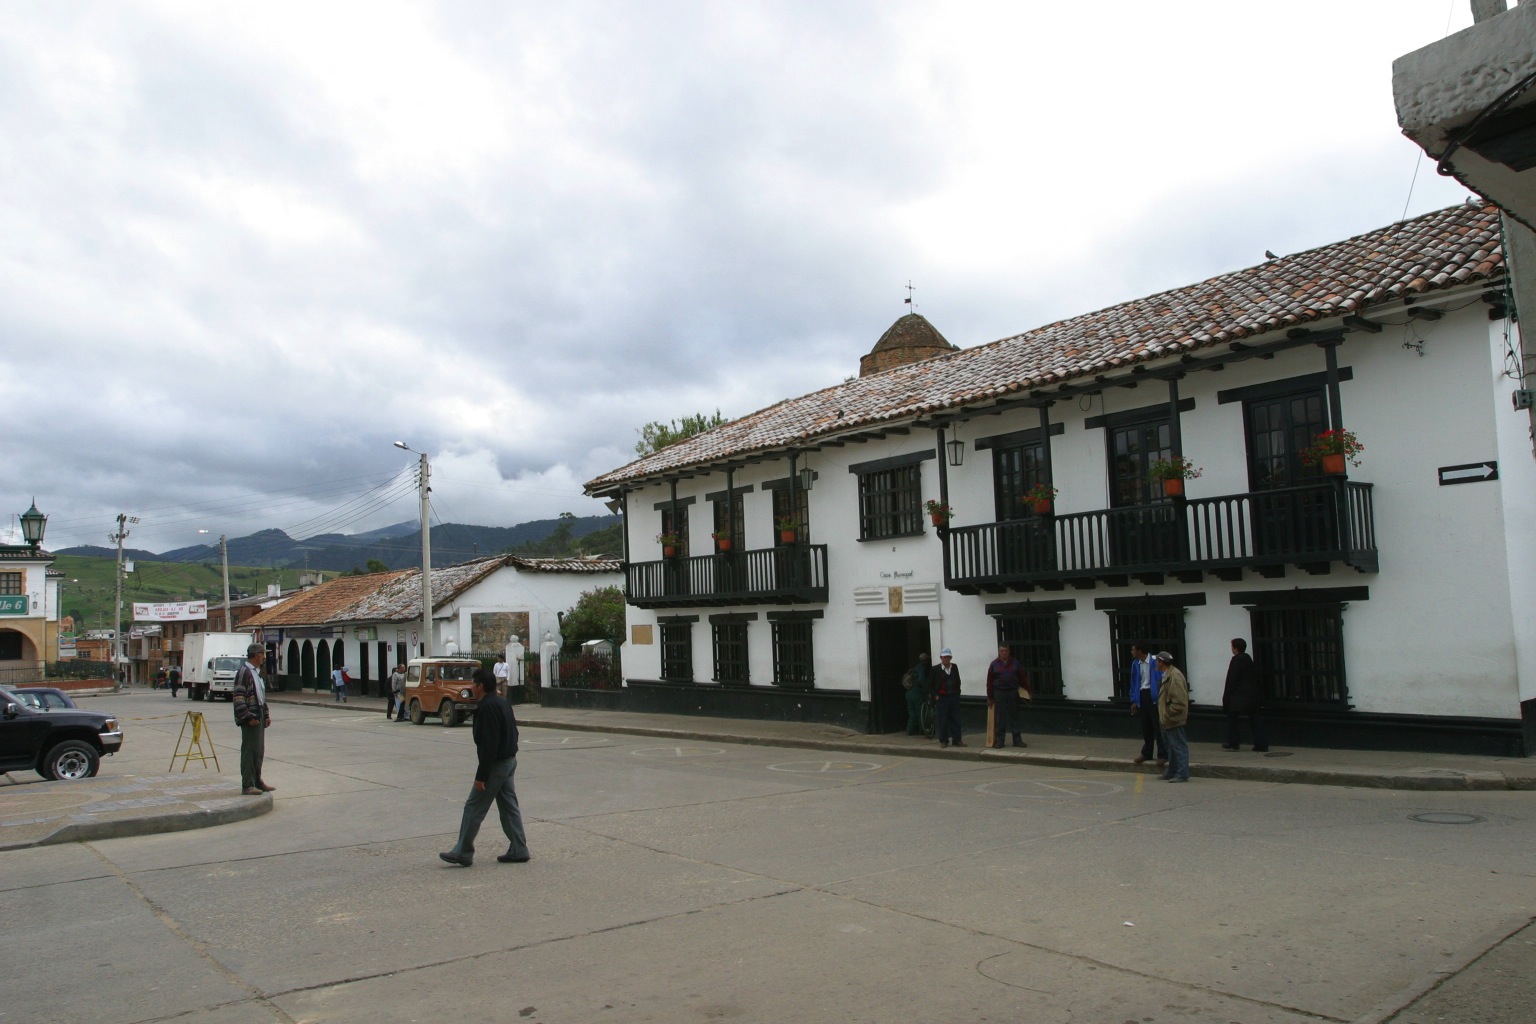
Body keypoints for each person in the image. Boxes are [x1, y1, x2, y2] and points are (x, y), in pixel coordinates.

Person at [440, 667, 531, 868]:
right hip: (509, 759)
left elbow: (489, 744)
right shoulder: (501, 702)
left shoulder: (487, 707)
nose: (471, 687)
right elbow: (514, 732)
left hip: (497, 764)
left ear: (480, 686)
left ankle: (463, 851)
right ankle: (519, 848)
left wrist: (481, 776)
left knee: (474, 806)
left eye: (473, 683)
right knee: (508, 806)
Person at [232, 643, 275, 796]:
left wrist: (266, 714)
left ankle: (257, 781)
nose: (264, 657)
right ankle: (248, 784)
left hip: (259, 714)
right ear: (257, 655)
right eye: (263, 654)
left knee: (258, 751)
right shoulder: (245, 672)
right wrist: (247, 716)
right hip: (251, 717)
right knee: (249, 752)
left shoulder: (256, 672)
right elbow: (239, 697)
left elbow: (260, 696)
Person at [1221, 638, 1269, 752]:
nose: (1231, 649)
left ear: (1236, 648)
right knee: (1255, 720)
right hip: (1252, 696)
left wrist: (1226, 696)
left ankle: (1233, 743)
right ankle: (1261, 744)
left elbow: (1231, 680)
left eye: (1232, 646)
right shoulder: (1248, 660)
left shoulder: (1236, 661)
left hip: (1238, 696)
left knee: (1232, 718)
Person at [1128, 643, 1166, 766]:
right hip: (1142, 694)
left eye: (1133, 649)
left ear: (1140, 651)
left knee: (1158, 726)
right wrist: (1134, 700)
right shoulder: (1136, 664)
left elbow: (1162, 677)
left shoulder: (1155, 661)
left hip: (1153, 695)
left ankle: (1162, 754)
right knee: (1145, 725)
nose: (1132, 652)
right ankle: (1147, 753)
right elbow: (1134, 682)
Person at [1155, 651, 1190, 783]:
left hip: (1173, 719)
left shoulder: (1174, 676)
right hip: (1166, 718)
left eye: (1157, 661)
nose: (1156, 663)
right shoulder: (1167, 675)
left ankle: (1182, 774)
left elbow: (1179, 702)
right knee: (1171, 748)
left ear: (1161, 662)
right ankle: (1172, 771)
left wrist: (1168, 714)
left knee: (1179, 747)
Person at [986, 644, 1028, 747]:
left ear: (1009, 651)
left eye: (1006, 651)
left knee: (1014, 716)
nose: (1004, 653)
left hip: (1012, 692)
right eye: (1002, 651)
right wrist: (990, 697)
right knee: (1001, 717)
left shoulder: (1015, 663)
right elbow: (989, 681)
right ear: (999, 652)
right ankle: (1000, 740)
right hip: (999, 692)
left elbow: (1023, 677)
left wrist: (1028, 691)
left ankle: (1017, 740)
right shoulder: (994, 664)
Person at [933, 648, 965, 748]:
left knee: (956, 719)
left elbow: (958, 680)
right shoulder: (935, 669)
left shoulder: (954, 667)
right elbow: (930, 684)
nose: (946, 659)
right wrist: (935, 695)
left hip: (954, 696)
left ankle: (957, 740)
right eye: (944, 657)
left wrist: (958, 693)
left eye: (948, 657)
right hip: (942, 698)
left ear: (950, 658)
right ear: (941, 658)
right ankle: (944, 740)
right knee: (943, 720)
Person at [904, 652, 931, 736]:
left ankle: (910, 730)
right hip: (917, 694)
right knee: (920, 712)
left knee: (912, 713)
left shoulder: (916, 667)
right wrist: (928, 689)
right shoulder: (922, 668)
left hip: (909, 693)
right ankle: (922, 730)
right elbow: (921, 680)